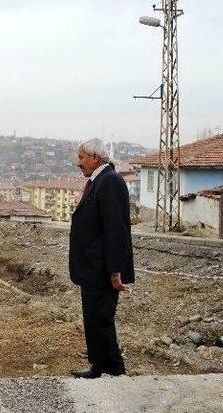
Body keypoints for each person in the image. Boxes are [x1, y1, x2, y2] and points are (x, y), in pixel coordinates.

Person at [69, 139, 134, 379]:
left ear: (95, 158)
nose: (79, 163)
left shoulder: (110, 182)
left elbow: (116, 229)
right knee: (93, 319)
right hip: (92, 268)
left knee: (102, 319)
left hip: (102, 268)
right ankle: (99, 366)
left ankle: (115, 370)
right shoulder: (99, 181)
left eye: (82, 157)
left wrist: (116, 270)